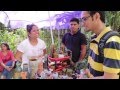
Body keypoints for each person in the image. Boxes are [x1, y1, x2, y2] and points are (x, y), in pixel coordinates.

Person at [80, 11, 120, 79]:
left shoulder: (111, 41)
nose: (82, 24)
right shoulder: (95, 39)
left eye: (84, 19)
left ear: (96, 16)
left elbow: (111, 78)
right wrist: (88, 73)